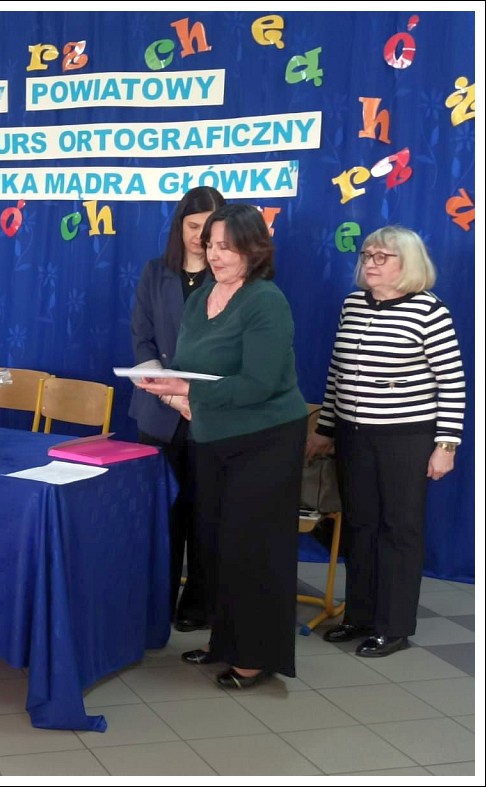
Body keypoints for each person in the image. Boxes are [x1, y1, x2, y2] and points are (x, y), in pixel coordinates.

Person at [137, 204, 307, 689]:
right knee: (218, 546)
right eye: (210, 244)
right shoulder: (201, 298)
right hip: (213, 436)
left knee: (253, 548)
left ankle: (255, 657)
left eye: (226, 246)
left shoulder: (266, 301)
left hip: (265, 440)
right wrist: (169, 386)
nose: (214, 254)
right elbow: (192, 366)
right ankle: (224, 643)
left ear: (254, 250)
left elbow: (259, 383)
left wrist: (185, 390)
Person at [307, 226, 465, 658]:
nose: (371, 263)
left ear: (407, 263)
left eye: (382, 257)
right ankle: (359, 615)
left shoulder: (429, 311)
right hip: (353, 434)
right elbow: (337, 373)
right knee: (360, 526)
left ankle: (393, 627)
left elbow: (452, 383)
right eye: (367, 255)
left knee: (399, 529)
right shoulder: (353, 305)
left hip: (406, 437)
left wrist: (446, 445)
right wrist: (325, 428)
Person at [129, 186, 225, 633]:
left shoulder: (231, 276)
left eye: (208, 228)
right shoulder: (156, 272)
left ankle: (199, 604)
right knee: (161, 513)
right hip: (160, 413)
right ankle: (157, 600)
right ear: (179, 226)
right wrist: (173, 397)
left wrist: (197, 399)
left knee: (205, 512)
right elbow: (142, 341)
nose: (199, 236)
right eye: (192, 225)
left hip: (212, 414)